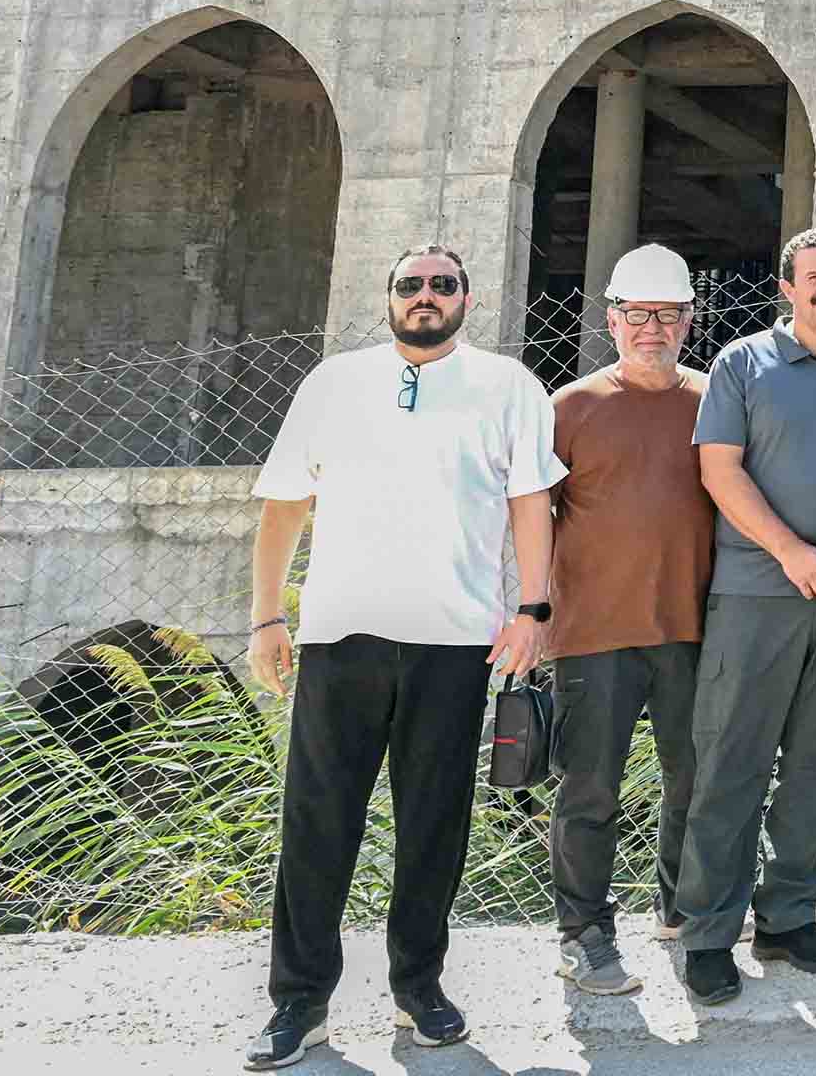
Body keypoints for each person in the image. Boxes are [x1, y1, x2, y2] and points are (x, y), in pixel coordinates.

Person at [242, 245, 560, 1070]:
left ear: (466, 298)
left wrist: (532, 608)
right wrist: (267, 617)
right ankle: (299, 1004)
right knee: (317, 823)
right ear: (387, 297)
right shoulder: (332, 384)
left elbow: (532, 504)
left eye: (442, 285)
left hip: (454, 642)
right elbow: (284, 505)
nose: (426, 297)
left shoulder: (509, 387)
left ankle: (419, 988)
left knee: (433, 827)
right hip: (340, 637)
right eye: (411, 285)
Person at [676, 228, 816, 1007]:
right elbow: (718, 469)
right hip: (755, 594)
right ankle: (708, 932)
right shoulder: (741, 364)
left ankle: (786, 915)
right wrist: (791, 552)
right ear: (787, 287)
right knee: (733, 763)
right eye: (813, 278)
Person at [547, 244, 716, 1000]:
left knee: (694, 777)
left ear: (689, 319)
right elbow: (530, 519)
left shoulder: (717, 401)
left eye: (669, 314)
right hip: (592, 634)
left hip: (690, 630)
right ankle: (584, 934)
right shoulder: (570, 408)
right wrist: (526, 612)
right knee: (591, 790)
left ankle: (678, 910)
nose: (654, 327)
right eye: (638, 314)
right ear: (613, 319)